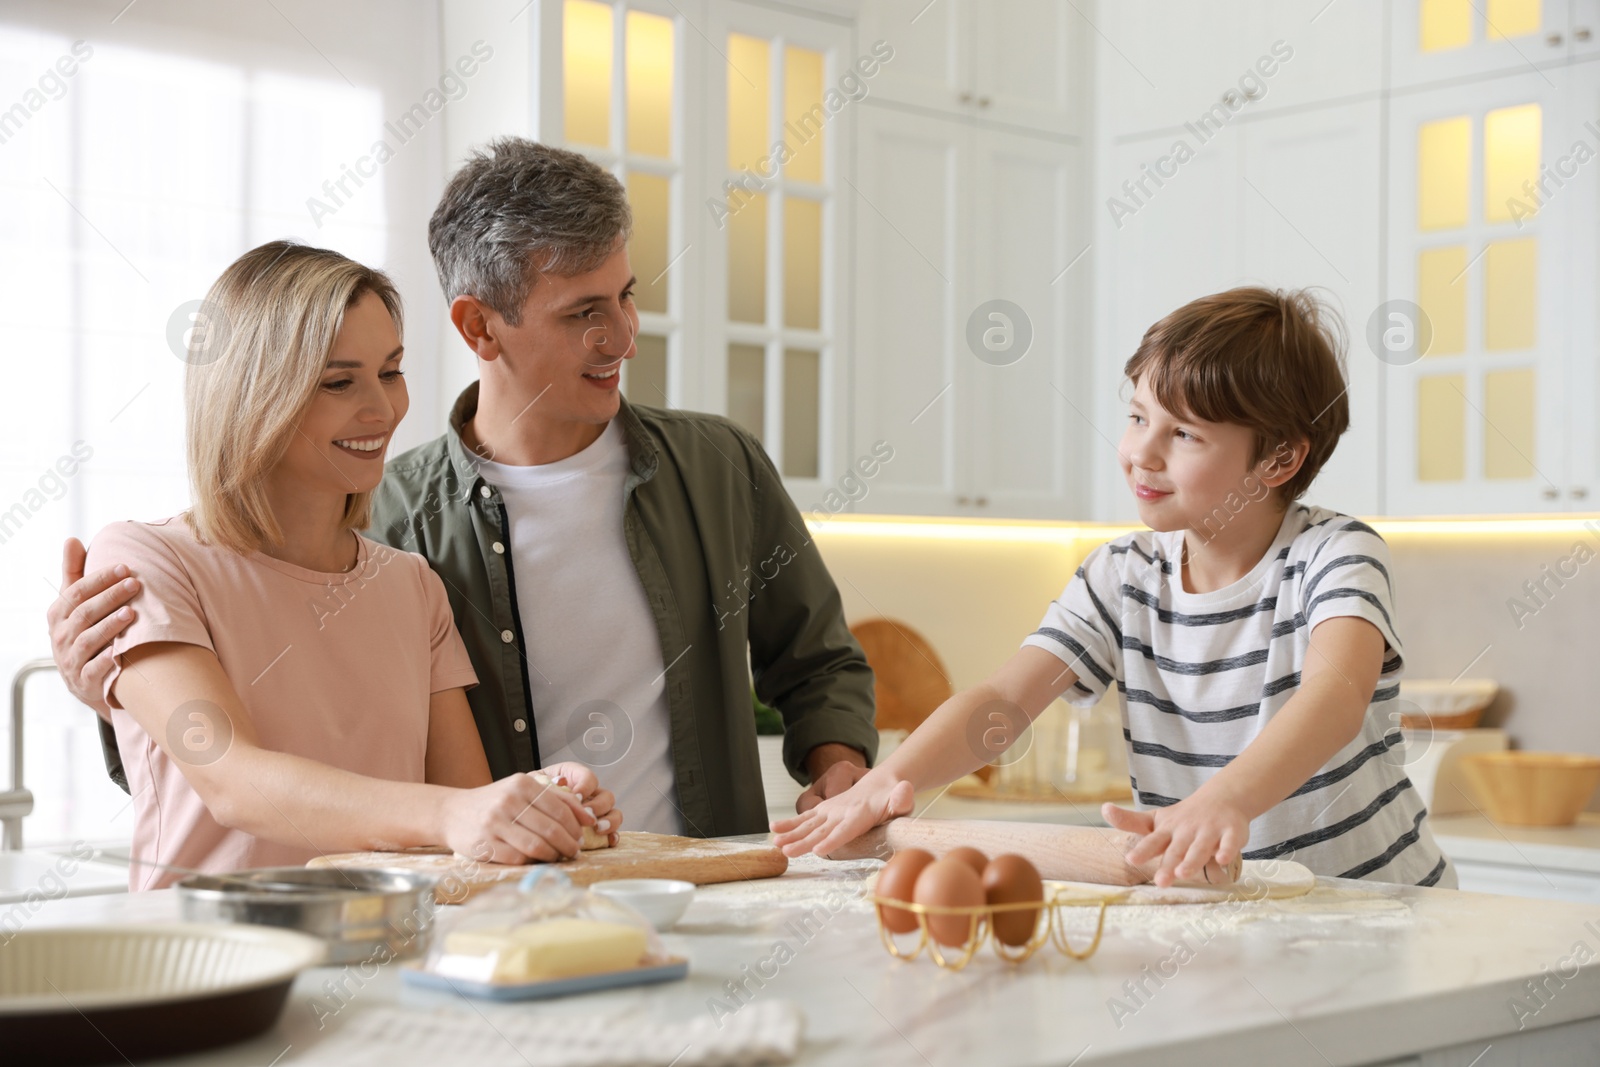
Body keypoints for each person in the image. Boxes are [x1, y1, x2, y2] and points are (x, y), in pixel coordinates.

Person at [50, 138, 878, 838]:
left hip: (693, 896)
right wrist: (114, 696)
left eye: (626, 296)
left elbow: (818, 659)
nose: (624, 336)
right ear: (479, 326)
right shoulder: (393, 516)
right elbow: (264, 771)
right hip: (503, 919)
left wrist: (840, 764)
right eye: (583, 311)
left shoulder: (719, 466)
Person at [773, 287, 1456, 889]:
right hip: (1233, 902)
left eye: (1184, 432)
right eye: (1137, 417)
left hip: (1378, 902)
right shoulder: (1121, 573)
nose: (1142, 452)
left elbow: (1335, 695)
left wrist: (1226, 800)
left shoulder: (1333, 554)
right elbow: (1005, 702)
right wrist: (891, 781)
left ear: (1281, 457)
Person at [82, 241, 616, 890]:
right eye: (339, 381)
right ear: (253, 394)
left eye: (390, 371)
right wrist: (459, 812)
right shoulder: (147, 561)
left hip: (383, 957)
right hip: (207, 967)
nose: (382, 408)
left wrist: (535, 806)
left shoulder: (410, 584)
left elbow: (466, 816)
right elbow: (232, 781)